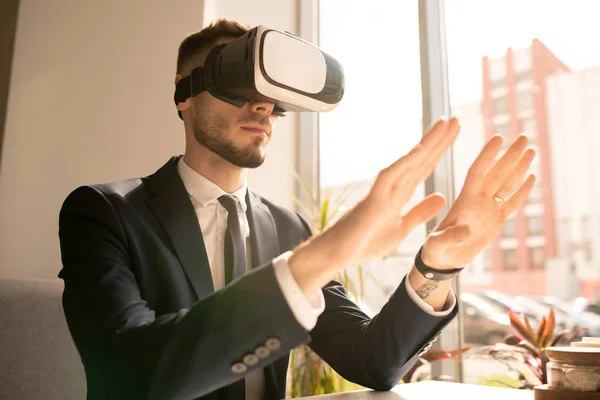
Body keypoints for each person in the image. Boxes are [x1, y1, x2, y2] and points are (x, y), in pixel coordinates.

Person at [57, 18, 536, 400]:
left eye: (270, 95)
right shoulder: (105, 212)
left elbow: (370, 361)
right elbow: (130, 375)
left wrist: (437, 267)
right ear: (184, 94)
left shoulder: (287, 228)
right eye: (236, 85)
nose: (261, 107)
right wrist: (321, 256)